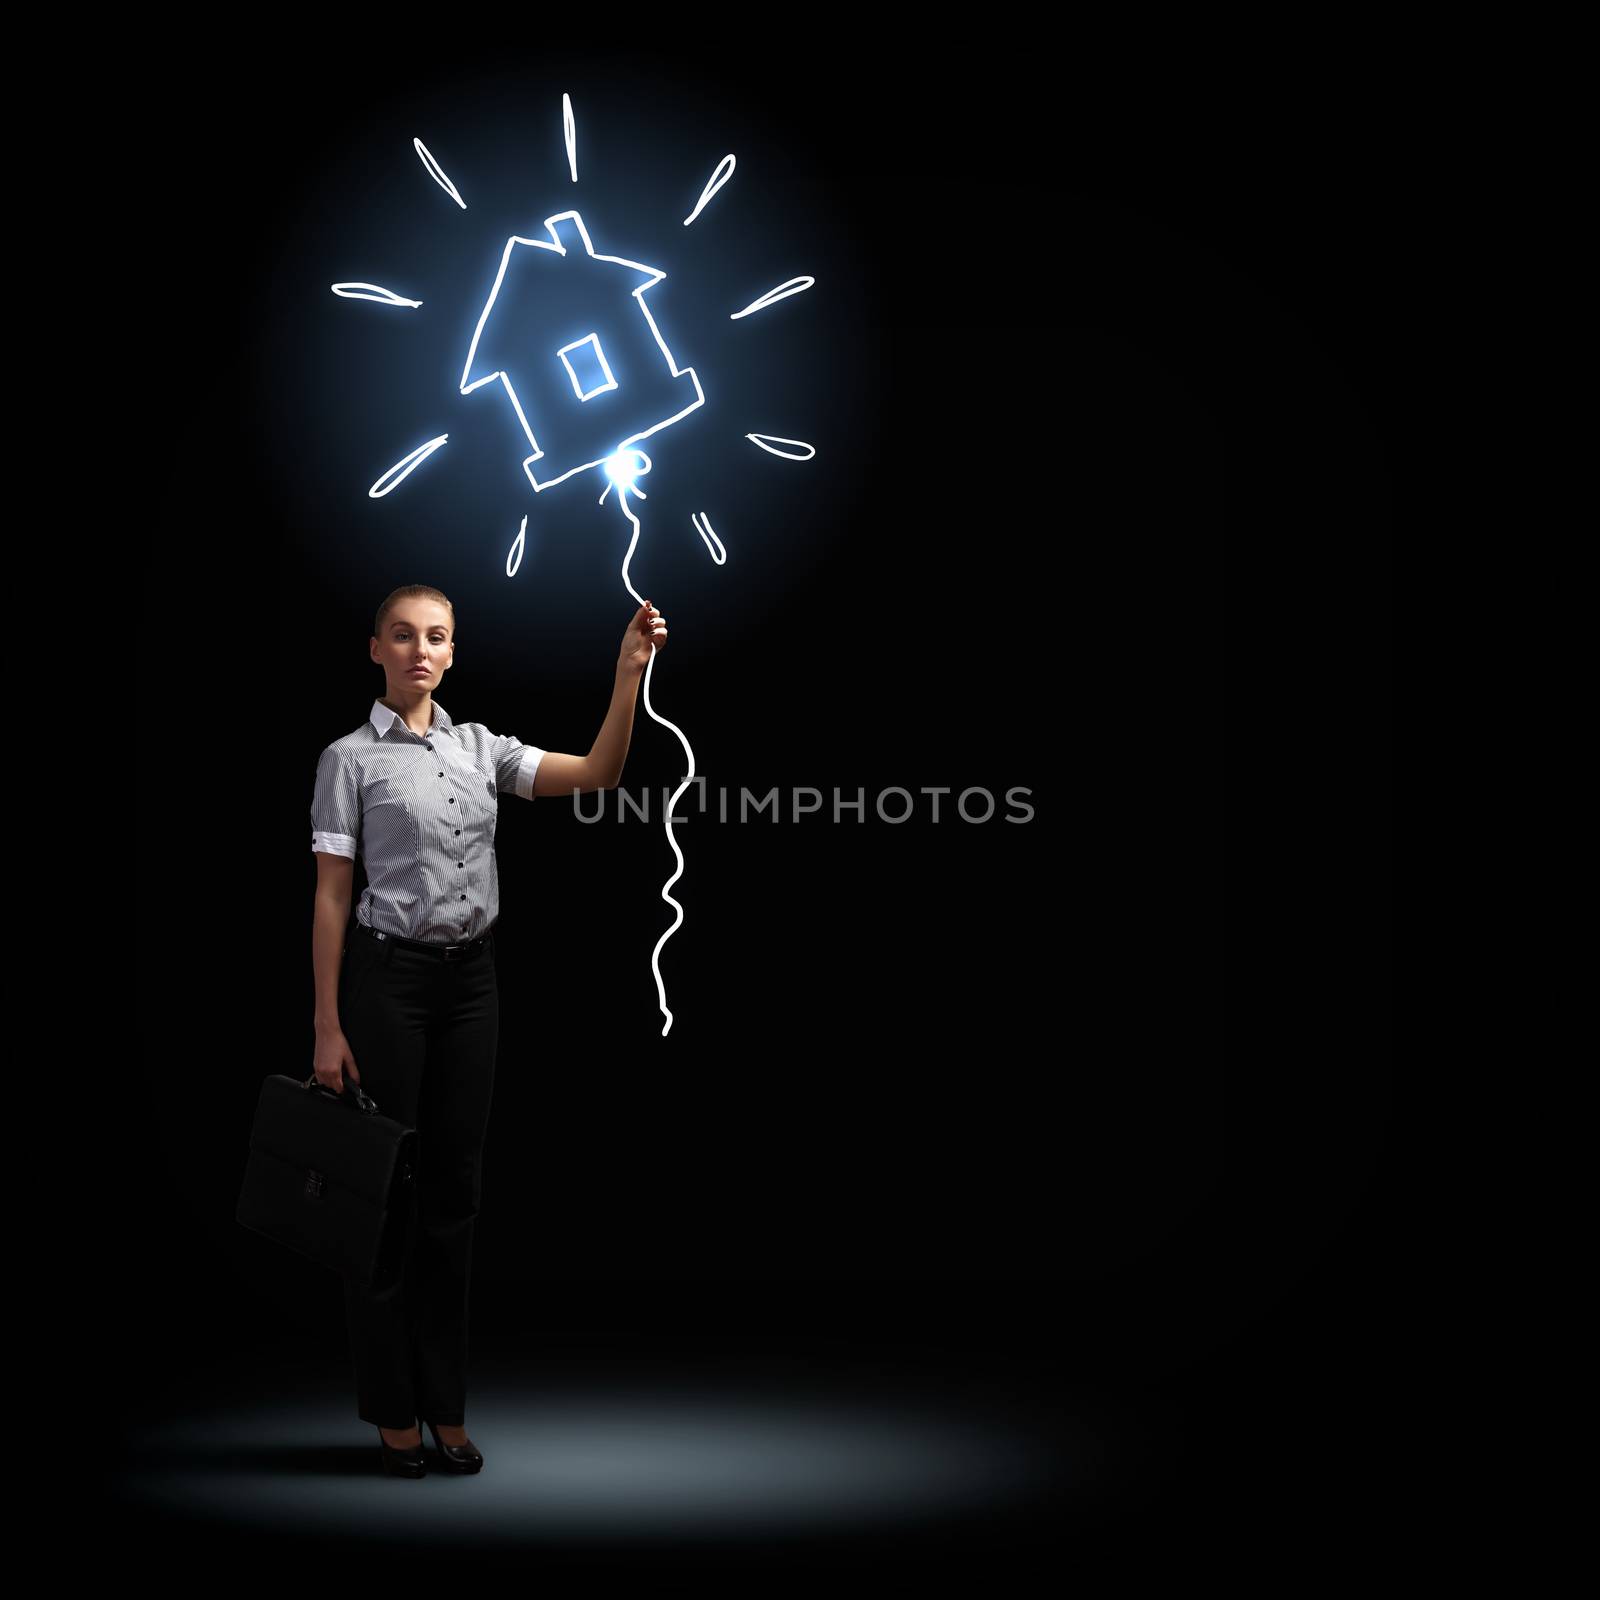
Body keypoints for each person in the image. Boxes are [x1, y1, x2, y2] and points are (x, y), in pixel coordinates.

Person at [310, 582, 667, 1477]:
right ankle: (393, 1411)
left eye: (435, 637)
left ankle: (446, 1406)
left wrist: (628, 675)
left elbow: (598, 774)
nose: (419, 650)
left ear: (452, 653)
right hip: (386, 984)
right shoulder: (348, 759)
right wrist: (326, 1024)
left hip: (473, 985)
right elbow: (330, 898)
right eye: (402, 635)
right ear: (376, 649)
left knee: (455, 1201)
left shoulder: (480, 749)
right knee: (388, 1197)